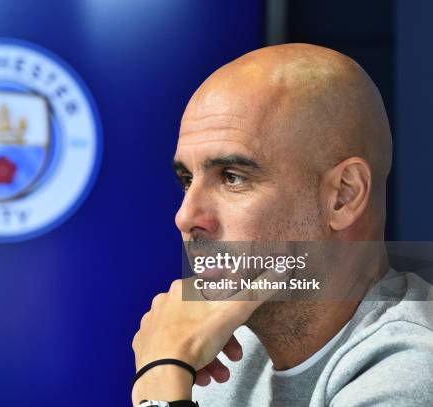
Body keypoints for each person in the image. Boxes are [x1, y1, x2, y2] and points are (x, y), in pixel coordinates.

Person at [131, 43, 433, 407]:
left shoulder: (409, 369)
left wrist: (160, 381)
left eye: (232, 177)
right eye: (186, 180)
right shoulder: (215, 350)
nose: (186, 217)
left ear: (344, 196)